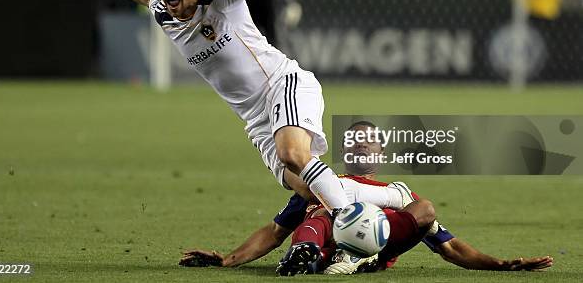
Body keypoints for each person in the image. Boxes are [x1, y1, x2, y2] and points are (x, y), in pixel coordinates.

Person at [74, 0, 402, 216]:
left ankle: (351, 228)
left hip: (281, 85)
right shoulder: (165, 13)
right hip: (256, 120)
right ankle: (393, 198)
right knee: (308, 188)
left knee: (294, 155)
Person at [179, 122, 553, 275]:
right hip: (324, 248)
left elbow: (450, 248)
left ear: (381, 151)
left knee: (424, 209)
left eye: (370, 141)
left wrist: (504, 265)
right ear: (345, 150)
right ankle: (308, 257)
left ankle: (359, 256)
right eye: (355, 142)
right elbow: (274, 231)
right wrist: (228, 260)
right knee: (320, 207)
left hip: (381, 247)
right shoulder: (326, 181)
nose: (363, 146)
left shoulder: (400, 194)